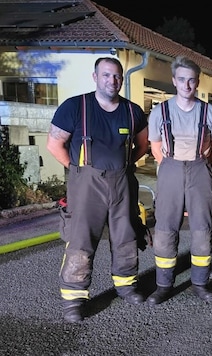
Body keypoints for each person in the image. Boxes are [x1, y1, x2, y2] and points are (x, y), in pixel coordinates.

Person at [46, 57, 149, 323]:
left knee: (126, 235)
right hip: (87, 182)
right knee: (81, 240)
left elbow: (142, 145)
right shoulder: (74, 107)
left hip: (123, 180)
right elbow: (54, 145)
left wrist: (124, 165)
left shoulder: (133, 111)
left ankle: (126, 284)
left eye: (116, 76)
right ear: (95, 77)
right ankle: (74, 298)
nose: (112, 81)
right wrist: (78, 171)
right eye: (106, 75)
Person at [146, 56, 212, 305]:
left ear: (197, 82)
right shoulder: (160, 112)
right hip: (171, 169)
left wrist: (199, 165)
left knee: (202, 230)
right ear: (173, 81)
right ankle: (163, 285)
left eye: (191, 80)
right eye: (181, 79)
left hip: (200, 169)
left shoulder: (210, 112)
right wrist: (172, 167)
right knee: (165, 230)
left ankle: (200, 283)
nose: (186, 85)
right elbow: (156, 148)